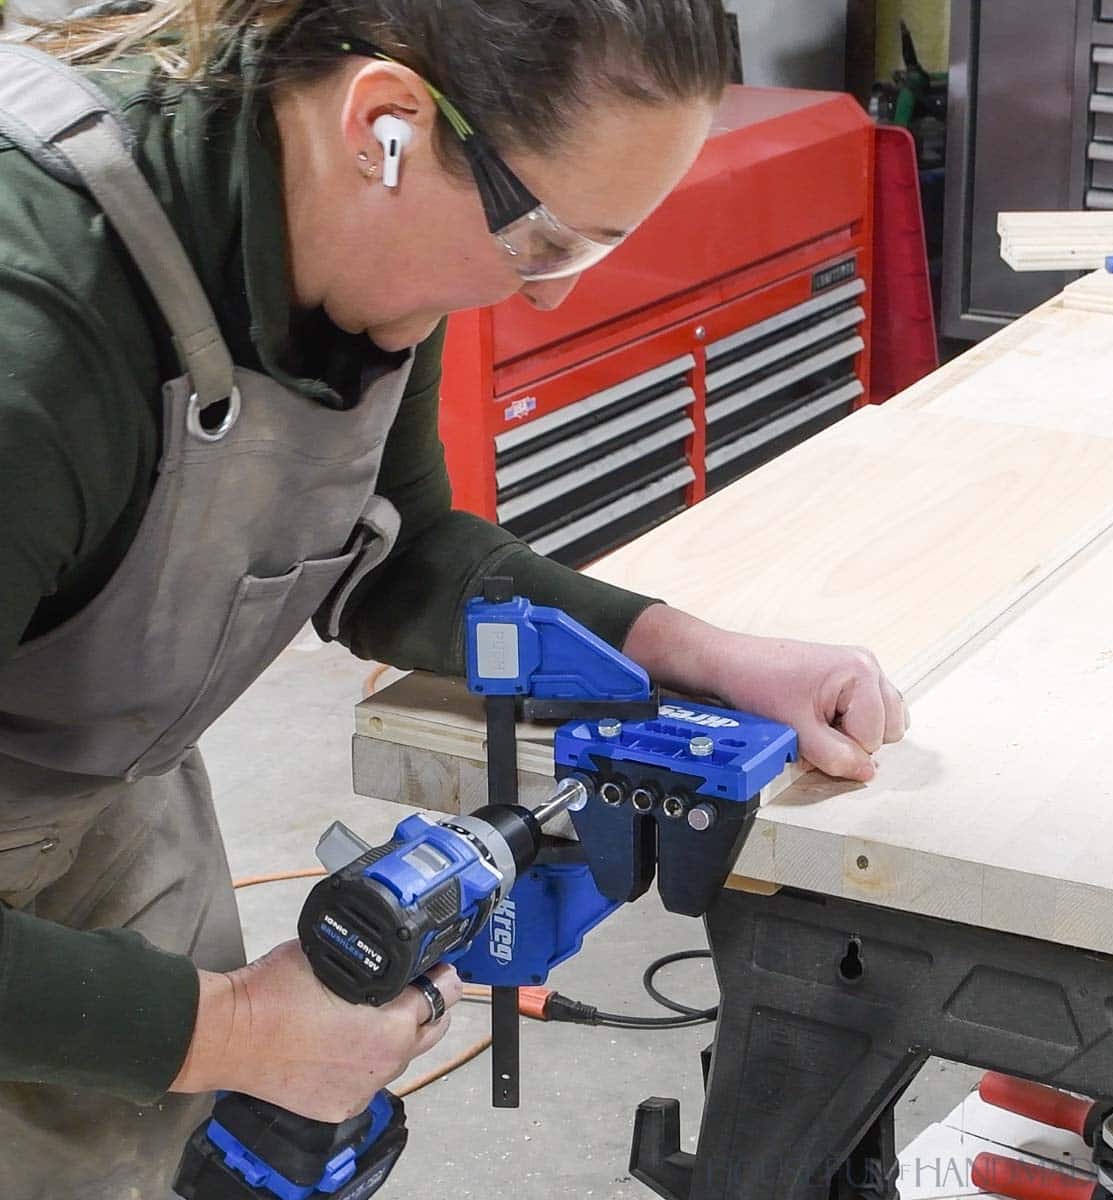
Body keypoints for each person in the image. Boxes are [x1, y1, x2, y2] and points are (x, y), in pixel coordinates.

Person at [0, 0, 908, 1195]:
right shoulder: (36, 342)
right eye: (544, 242)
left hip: (101, 791)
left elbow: (403, 547)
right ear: (387, 123)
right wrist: (230, 1032)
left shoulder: (344, 226)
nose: (542, 298)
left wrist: (701, 655)